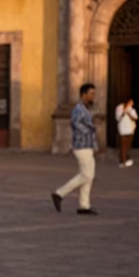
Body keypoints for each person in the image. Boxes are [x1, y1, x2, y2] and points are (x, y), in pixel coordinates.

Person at [52, 82, 99, 215]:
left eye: (94, 94)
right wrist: (90, 130)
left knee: (89, 176)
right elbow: (77, 125)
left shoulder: (86, 109)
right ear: (83, 95)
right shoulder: (78, 109)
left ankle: (84, 205)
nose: (93, 97)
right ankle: (59, 193)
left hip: (87, 145)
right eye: (91, 94)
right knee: (86, 175)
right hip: (81, 146)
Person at [114, 99, 137, 167]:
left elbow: (135, 117)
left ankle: (125, 159)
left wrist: (129, 112)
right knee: (123, 146)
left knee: (127, 146)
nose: (131, 104)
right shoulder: (119, 108)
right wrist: (124, 111)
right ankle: (123, 161)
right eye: (130, 102)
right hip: (123, 129)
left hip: (130, 130)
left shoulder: (131, 109)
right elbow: (118, 118)